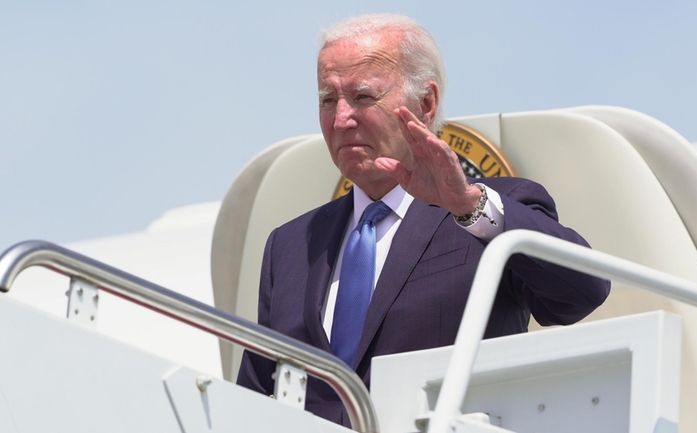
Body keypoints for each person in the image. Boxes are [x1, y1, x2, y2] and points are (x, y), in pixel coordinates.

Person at [237, 13, 610, 426]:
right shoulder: (290, 245)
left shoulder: (489, 210)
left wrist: (468, 204)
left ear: (426, 103)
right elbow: (255, 396)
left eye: (362, 97)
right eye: (328, 99)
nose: (341, 118)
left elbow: (582, 292)